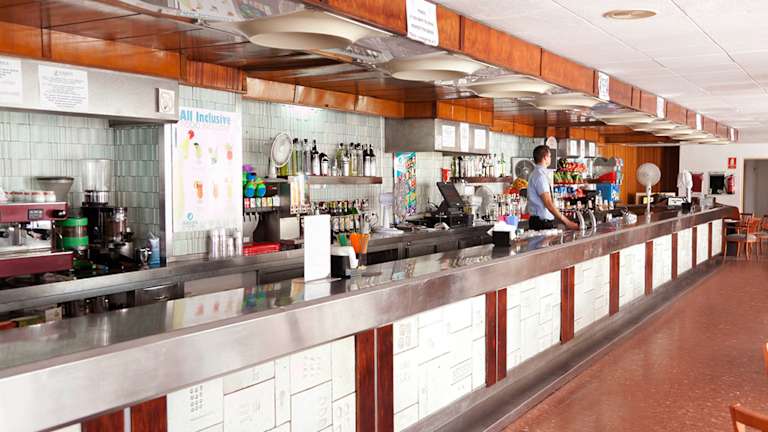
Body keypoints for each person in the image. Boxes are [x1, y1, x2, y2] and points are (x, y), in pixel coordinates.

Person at [527, 145, 579, 231]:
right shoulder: (540, 176)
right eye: (550, 156)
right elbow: (548, 203)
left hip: (538, 221)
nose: (551, 158)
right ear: (545, 157)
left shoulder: (536, 173)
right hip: (541, 223)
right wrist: (567, 222)